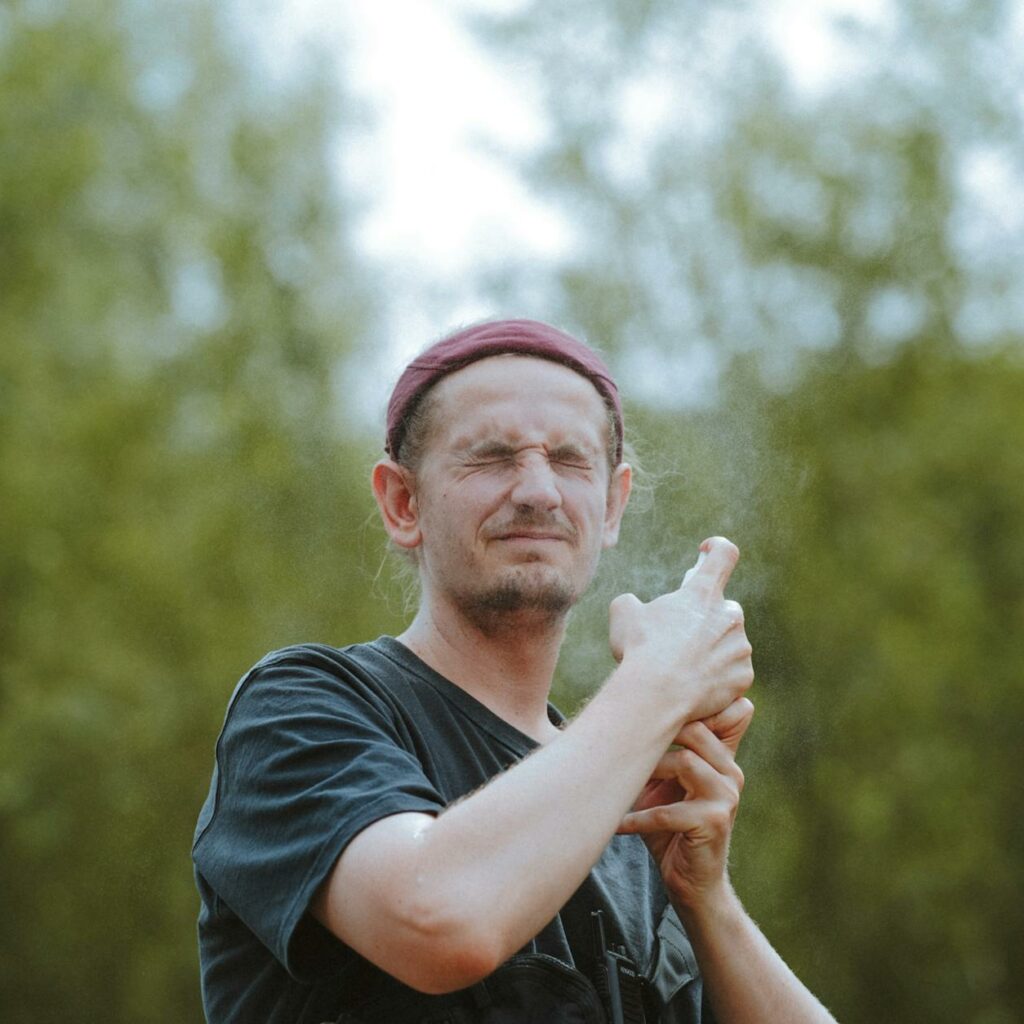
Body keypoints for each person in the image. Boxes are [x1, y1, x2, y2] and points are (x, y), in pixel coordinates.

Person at [192, 319, 837, 1023]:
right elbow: (441, 923)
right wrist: (660, 680)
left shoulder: (633, 815)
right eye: (492, 457)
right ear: (402, 504)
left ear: (613, 503)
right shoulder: (299, 709)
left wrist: (703, 896)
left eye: (570, 460)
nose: (538, 491)